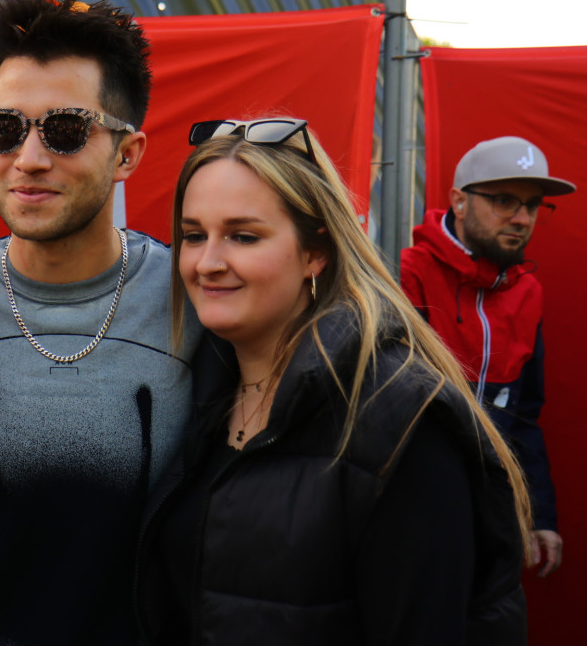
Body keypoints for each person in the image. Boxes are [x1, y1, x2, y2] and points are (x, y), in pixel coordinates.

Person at [135, 118, 533, 644]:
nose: (207, 262)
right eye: (192, 236)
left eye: (243, 236)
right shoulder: (189, 387)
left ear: (315, 252)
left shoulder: (401, 416)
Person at [0, 0, 200, 644]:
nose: (30, 159)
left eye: (66, 130)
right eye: (3, 128)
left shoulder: (196, 300)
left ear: (128, 154)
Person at [400, 136, 574, 578]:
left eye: (532, 205)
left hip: (492, 519)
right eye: (504, 201)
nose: (522, 219)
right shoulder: (405, 273)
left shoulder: (527, 292)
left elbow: (523, 417)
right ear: (459, 202)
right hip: (409, 516)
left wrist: (538, 513)